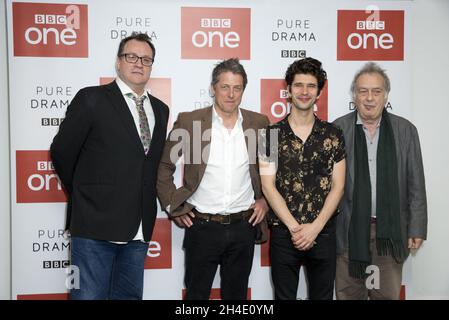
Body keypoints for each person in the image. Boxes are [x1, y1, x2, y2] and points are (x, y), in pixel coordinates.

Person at [50, 32, 170, 300]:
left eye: (146, 59)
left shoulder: (161, 110)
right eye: (131, 57)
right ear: (118, 62)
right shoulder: (91, 98)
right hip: (94, 227)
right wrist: (86, 192)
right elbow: (62, 152)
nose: (139, 63)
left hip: (138, 230)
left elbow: (149, 165)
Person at [157, 58, 269, 300]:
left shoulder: (259, 124)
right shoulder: (190, 122)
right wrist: (173, 206)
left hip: (243, 227)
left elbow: (273, 171)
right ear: (213, 88)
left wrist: (264, 201)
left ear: (243, 91)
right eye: (224, 86)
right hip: (202, 228)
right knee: (196, 298)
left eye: (237, 88)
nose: (230, 94)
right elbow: (165, 166)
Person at [333, 62, 427, 300]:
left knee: (385, 296)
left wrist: (416, 227)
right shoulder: (338, 129)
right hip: (349, 231)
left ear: (386, 95)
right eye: (363, 91)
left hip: (390, 232)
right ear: (354, 95)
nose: (369, 98)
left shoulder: (405, 130)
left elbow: (415, 183)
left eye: (376, 91)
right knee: (348, 296)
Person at [259, 57, 346, 300]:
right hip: (285, 235)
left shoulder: (333, 134)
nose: (304, 92)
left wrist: (315, 228)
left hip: (324, 233)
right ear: (288, 90)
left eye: (311, 86)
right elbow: (268, 185)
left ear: (319, 92)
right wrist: (296, 229)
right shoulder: (270, 134)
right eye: (298, 85)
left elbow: (338, 186)